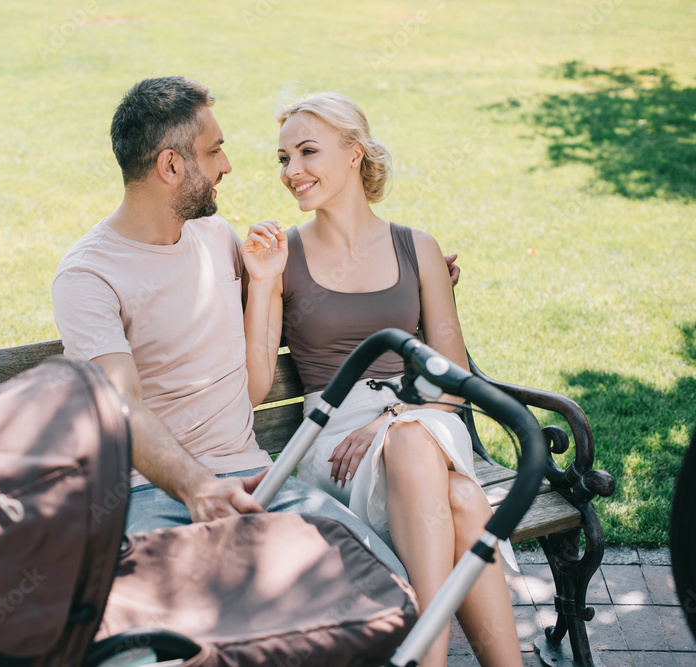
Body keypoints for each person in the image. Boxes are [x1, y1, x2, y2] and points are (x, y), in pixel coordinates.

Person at [51, 76, 406, 573]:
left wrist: (415, 276)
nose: (227, 165)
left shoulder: (216, 238)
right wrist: (197, 486)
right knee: (177, 606)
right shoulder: (89, 275)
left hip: (260, 480)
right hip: (150, 494)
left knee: (383, 578)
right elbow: (120, 404)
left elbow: (292, 301)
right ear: (171, 166)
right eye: (214, 150)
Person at [241, 91, 521, 666]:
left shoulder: (417, 247)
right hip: (334, 442)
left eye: (307, 152)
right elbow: (252, 389)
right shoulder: (284, 257)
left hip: (427, 419)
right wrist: (262, 284)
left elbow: (455, 379)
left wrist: (392, 420)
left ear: (354, 154)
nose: (291, 171)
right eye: (283, 158)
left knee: (411, 442)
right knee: (463, 500)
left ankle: (425, 659)